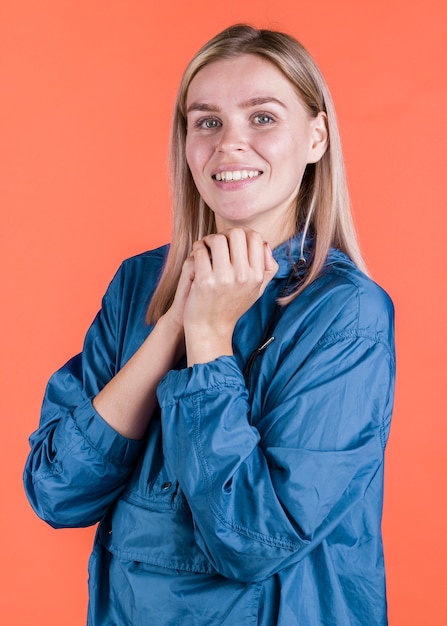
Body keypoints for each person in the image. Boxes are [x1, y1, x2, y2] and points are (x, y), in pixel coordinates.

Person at [24, 24, 395, 625]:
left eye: (264, 118)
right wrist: (175, 319)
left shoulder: (345, 314)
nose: (230, 145)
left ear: (316, 137)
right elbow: (57, 489)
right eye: (208, 121)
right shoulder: (137, 285)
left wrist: (210, 339)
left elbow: (251, 541)